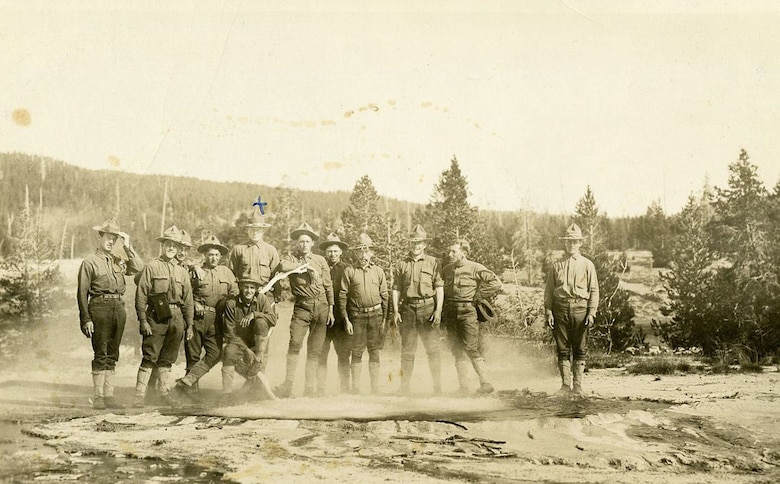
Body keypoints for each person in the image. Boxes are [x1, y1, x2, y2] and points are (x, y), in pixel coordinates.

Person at [76, 217, 142, 409]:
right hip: (99, 308)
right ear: (100, 236)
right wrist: (85, 319)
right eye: (108, 236)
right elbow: (81, 293)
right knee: (101, 352)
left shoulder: (119, 260)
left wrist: (128, 246)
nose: (111, 241)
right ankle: (98, 397)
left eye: (115, 237)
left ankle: (109, 396)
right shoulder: (90, 262)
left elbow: (138, 268)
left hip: (118, 309)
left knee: (113, 352)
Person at [133, 225, 194, 407]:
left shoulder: (182, 272)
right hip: (156, 317)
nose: (171, 248)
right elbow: (141, 295)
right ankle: (138, 395)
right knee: (150, 356)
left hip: (177, 319)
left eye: (174, 245)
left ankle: (164, 393)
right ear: (162, 245)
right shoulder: (151, 267)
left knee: (168, 358)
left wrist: (189, 324)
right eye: (168, 244)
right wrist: (143, 320)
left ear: (178, 248)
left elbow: (188, 300)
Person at [174, 234, 238, 400]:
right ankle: (191, 393)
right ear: (205, 256)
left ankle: (187, 381)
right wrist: (195, 303)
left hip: (217, 320)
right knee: (193, 355)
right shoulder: (196, 271)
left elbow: (235, 293)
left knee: (215, 353)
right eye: (210, 254)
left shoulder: (227, 273)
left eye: (217, 255)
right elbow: (185, 292)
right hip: (198, 318)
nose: (214, 258)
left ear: (221, 256)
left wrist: (228, 306)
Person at [274, 222, 335, 398]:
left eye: (307, 241)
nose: (304, 245)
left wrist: (331, 309)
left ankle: (309, 387)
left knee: (315, 350)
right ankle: (288, 385)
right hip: (302, 307)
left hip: (322, 306)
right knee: (294, 344)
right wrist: (305, 268)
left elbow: (328, 286)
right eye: (301, 242)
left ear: (312, 243)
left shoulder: (321, 260)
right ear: (296, 243)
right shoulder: (291, 259)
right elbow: (283, 266)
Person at [544, 223, 599, 395]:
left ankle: (578, 386)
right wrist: (548, 311)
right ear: (564, 243)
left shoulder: (587, 264)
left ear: (580, 243)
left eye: (575, 241)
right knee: (562, 348)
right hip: (560, 309)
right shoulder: (556, 265)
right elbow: (549, 291)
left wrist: (591, 313)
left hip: (580, 309)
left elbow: (594, 290)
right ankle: (565, 385)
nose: (571, 245)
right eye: (568, 242)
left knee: (580, 348)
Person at [442, 238, 502, 395]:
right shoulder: (447, 269)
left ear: (464, 253)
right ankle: (463, 387)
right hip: (451, 313)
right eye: (449, 251)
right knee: (457, 349)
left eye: (453, 251)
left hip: (468, 312)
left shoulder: (475, 268)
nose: (450, 254)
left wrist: (479, 295)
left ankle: (485, 382)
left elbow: (496, 283)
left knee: (470, 347)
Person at [391, 224, 444, 394]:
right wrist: (396, 310)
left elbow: (440, 287)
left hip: (428, 308)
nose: (416, 246)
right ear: (409, 244)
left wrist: (438, 311)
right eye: (413, 243)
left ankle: (437, 387)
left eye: (419, 243)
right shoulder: (401, 264)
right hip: (407, 310)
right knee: (407, 351)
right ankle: (404, 387)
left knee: (433, 350)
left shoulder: (434, 262)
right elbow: (396, 289)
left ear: (424, 244)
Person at [227, 209, 281, 372]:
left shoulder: (271, 250)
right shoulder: (238, 250)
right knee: (242, 338)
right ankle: (248, 376)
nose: (255, 232)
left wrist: (275, 300)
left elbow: (276, 276)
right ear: (247, 230)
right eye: (252, 229)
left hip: (264, 300)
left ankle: (260, 378)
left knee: (263, 340)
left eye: (258, 229)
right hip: (244, 300)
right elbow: (231, 275)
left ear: (263, 230)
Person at [340, 233, 388, 394]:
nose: (363, 255)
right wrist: (346, 319)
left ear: (372, 253)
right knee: (357, 351)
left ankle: (375, 388)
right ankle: (356, 388)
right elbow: (342, 296)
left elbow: (385, 296)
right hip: (357, 317)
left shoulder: (379, 271)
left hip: (376, 315)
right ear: (356, 253)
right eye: (360, 251)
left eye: (366, 251)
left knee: (374, 351)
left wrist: (384, 320)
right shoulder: (349, 271)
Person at [220, 273, 278, 405]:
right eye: (246, 287)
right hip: (238, 341)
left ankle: (257, 374)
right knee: (228, 353)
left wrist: (254, 314)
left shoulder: (262, 299)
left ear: (256, 289)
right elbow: (229, 331)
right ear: (240, 287)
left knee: (261, 322)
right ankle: (227, 394)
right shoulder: (231, 303)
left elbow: (273, 320)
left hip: (258, 342)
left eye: (252, 288)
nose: (249, 291)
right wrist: (246, 350)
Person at [317, 233, 352, 395]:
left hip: (340, 318)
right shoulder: (319, 267)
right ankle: (320, 389)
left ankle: (345, 389)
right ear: (325, 252)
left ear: (341, 252)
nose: (332, 254)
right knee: (320, 354)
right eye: (329, 251)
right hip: (322, 317)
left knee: (344, 355)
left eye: (335, 251)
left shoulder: (347, 269)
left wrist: (347, 318)